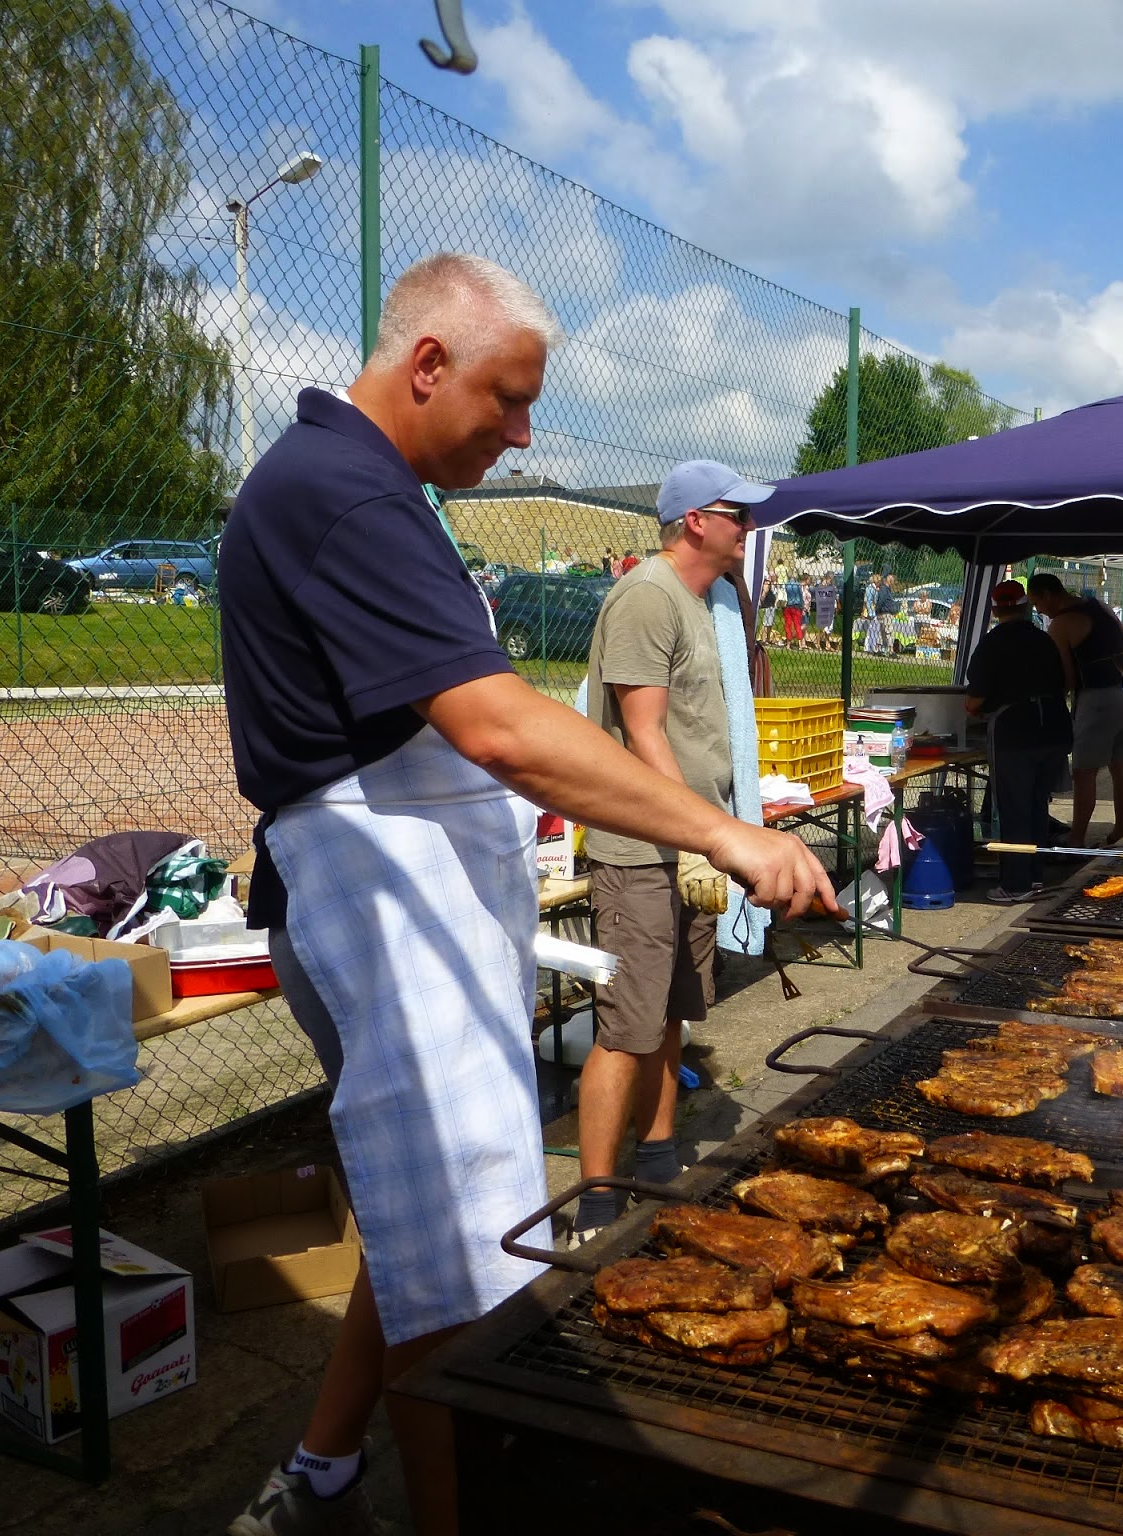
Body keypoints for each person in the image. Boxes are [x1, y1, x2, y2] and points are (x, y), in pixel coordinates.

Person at [218, 254, 834, 1536]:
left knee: (427, 1217)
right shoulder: (341, 492)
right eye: (505, 399)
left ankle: (324, 1475)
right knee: (455, 1268)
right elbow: (497, 728)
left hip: (421, 899)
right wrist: (721, 835)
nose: (522, 431)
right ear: (428, 364)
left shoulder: (371, 486)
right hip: (375, 911)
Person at [577, 458, 775, 1244]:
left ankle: (657, 1154)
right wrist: (689, 834)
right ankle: (595, 1198)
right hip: (641, 852)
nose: (749, 528)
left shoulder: (703, 598)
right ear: (696, 520)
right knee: (624, 1026)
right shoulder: (647, 597)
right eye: (738, 515)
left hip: (688, 844)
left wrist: (707, 837)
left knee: (670, 1013)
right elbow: (643, 730)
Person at [965, 579, 1072, 902]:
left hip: (1015, 732)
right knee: (1038, 806)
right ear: (1025, 606)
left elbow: (975, 700)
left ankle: (1015, 885)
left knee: (1013, 808)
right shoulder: (1043, 639)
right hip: (1053, 727)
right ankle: (1035, 876)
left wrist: (975, 710)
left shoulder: (992, 643)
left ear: (996, 610)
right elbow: (1065, 680)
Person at [1027, 571, 1123, 845]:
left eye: (1037, 603)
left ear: (1048, 595)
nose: (1038, 610)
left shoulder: (1060, 625)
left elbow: (1067, 677)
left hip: (1097, 699)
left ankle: (1077, 838)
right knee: (1120, 764)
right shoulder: (1100, 606)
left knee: (1084, 771)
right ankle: (1121, 830)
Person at [780, 564, 805, 647]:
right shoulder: (797, 585)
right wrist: (802, 605)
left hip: (788, 605)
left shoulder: (787, 585)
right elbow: (800, 595)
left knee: (788, 625)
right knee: (797, 624)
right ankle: (800, 644)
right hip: (797, 606)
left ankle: (788, 644)